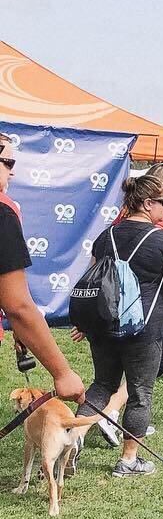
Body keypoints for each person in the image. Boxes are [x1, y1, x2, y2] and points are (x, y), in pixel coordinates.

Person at [74, 174, 163, 476]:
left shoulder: (106, 236)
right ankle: (128, 460)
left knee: (102, 384)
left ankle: (73, 438)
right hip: (146, 329)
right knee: (141, 392)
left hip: (104, 327)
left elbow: (93, 281)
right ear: (147, 203)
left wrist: (87, 324)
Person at [0, 134, 85, 401]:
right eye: (8, 162)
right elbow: (18, 306)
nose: (12, 173)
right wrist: (63, 373)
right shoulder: (3, 212)